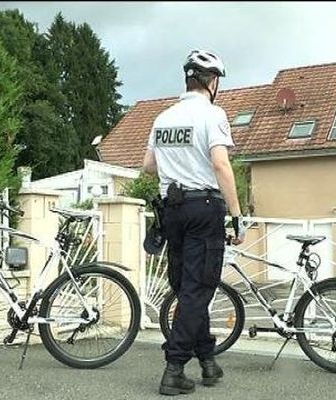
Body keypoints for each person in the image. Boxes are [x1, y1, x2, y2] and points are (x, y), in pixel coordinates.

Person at [142, 49, 247, 395]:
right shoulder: (213, 114)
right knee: (199, 289)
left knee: (188, 289)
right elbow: (220, 165)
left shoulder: (163, 117)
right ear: (212, 82)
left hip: (172, 210)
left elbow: (148, 165)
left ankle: (207, 362)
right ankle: (174, 368)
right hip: (203, 208)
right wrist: (236, 216)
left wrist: (178, 162)